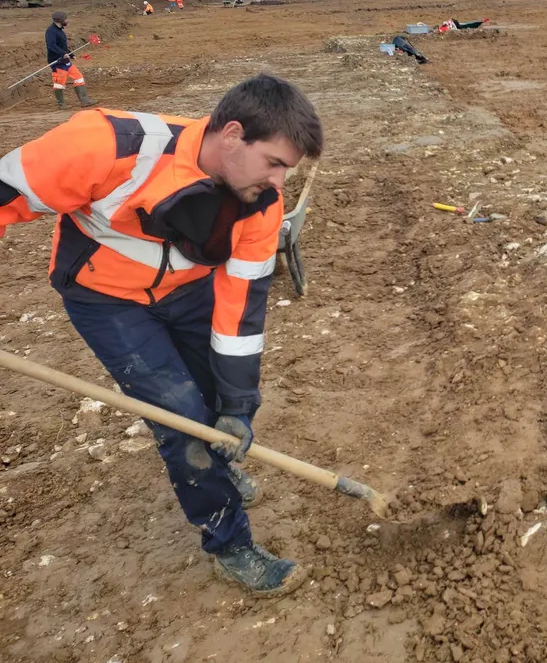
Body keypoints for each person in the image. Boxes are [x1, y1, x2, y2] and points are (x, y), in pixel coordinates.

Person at [0, 74, 324, 596]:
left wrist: (239, 404)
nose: (280, 184)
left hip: (191, 293)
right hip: (105, 300)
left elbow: (241, 313)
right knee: (182, 419)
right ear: (233, 135)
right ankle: (230, 542)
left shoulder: (261, 205)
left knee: (219, 403)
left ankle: (218, 460)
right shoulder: (107, 147)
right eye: (276, 164)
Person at [45, 11, 95, 109]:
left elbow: (62, 46)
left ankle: (84, 100)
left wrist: (71, 54)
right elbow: (51, 45)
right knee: (59, 83)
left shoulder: (60, 30)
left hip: (65, 61)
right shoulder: (50, 31)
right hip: (57, 62)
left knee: (78, 77)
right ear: (60, 21)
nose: (67, 21)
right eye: (65, 19)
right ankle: (62, 104)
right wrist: (62, 54)